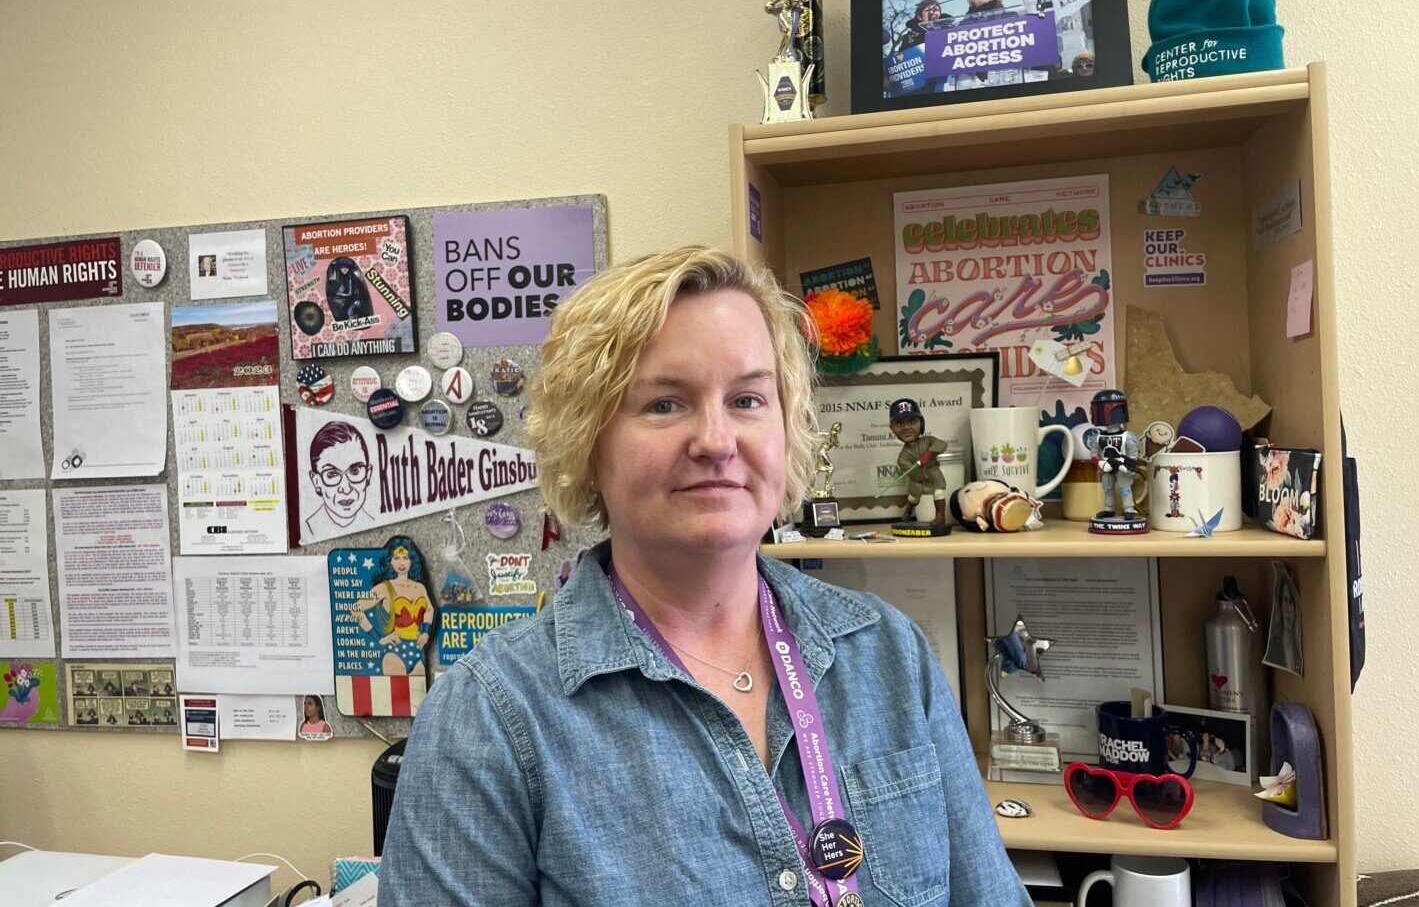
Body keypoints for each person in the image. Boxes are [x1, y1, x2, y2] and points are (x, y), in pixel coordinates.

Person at [380, 247, 1030, 906]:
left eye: (748, 399)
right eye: (665, 404)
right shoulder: (489, 719)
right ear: (587, 442)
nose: (717, 441)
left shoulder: (889, 657)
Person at [351, 536, 433, 676]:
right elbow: (355, 609)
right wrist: (379, 638)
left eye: (405, 558)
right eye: (397, 558)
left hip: (416, 651)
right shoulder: (384, 587)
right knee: (395, 696)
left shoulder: (419, 587)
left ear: (411, 560)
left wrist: (425, 631)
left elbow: (429, 609)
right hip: (395, 652)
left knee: (419, 696)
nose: (401, 563)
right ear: (390, 561)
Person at [304, 421, 376, 539]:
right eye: (332, 475)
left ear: (368, 475)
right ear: (316, 481)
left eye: (355, 471)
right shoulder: (308, 529)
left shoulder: (373, 523)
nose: (346, 489)